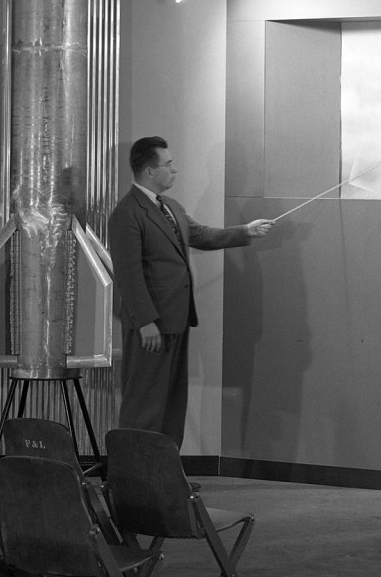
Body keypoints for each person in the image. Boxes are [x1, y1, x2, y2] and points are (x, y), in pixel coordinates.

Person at [106, 135, 273, 446]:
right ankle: (134, 477)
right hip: (151, 326)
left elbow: (201, 235)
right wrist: (146, 322)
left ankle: (166, 475)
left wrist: (245, 231)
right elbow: (128, 276)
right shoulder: (127, 214)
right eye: (168, 164)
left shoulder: (170, 206)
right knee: (144, 403)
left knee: (171, 400)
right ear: (149, 171)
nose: (175, 169)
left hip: (176, 320)